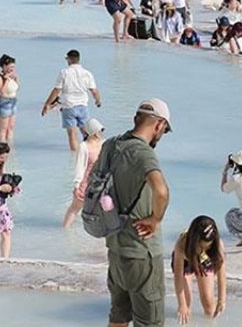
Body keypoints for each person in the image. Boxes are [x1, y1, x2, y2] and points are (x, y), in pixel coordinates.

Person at [95, 99, 173, 327]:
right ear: (159, 124)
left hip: (115, 247)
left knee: (118, 315)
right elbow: (161, 190)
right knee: (150, 321)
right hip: (142, 252)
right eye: (165, 130)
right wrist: (156, 219)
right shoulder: (144, 153)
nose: (162, 135)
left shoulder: (110, 145)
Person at [41, 49, 103, 151]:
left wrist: (47, 104)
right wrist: (98, 100)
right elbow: (94, 90)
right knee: (86, 131)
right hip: (83, 105)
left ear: (69, 59)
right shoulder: (87, 73)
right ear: (79, 59)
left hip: (68, 106)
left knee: (72, 134)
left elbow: (57, 90)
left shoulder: (64, 72)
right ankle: (90, 151)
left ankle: (74, 157)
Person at [171, 216, 227, 324]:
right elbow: (178, 277)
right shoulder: (182, 244)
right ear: (193, 240)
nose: (203, 250)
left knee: (208, 300)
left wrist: (221, 300)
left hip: (204, 261)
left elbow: (221, 276)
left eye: (208, 247)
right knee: (186, 302)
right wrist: (182, 305)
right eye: (201, 247)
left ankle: (211, 324)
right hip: (186, 260)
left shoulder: (217, 245)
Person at [63, 119, 106, 228]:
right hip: (86, 182)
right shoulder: (83, 146)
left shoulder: (104, 144)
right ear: (91, 132)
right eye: (98, 131)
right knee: (75, 208)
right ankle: (64, 230)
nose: (100, 133)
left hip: (101, 183)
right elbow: (79, 167)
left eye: (101, 130)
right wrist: (77, 185)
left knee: (102, 208)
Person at [0, 54, 20, 144]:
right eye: (11, 66)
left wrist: (15, 78)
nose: (12, 68)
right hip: (3, 103)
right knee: (3, 128)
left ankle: (10, 146)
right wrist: (7, 80)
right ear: (4, 66)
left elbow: (16, 88)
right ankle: (1, 145)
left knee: (11, 127)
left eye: (14, 66)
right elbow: (2, 92)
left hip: (13, 101)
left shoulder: (13, 76)